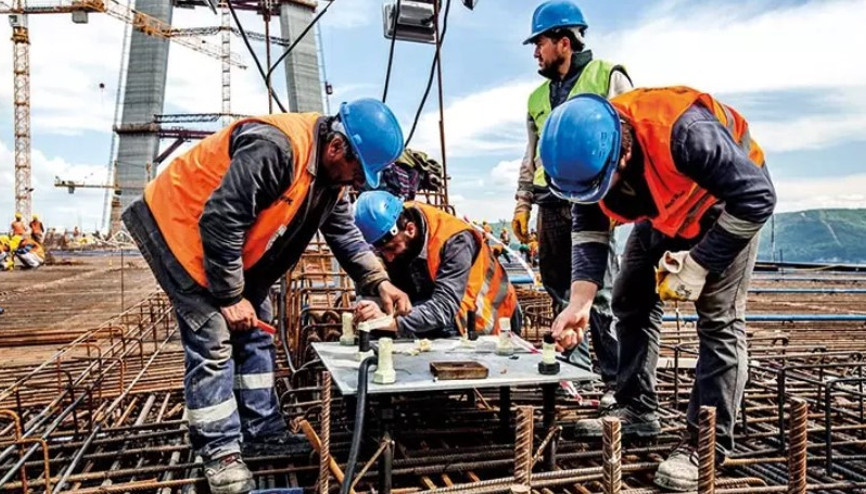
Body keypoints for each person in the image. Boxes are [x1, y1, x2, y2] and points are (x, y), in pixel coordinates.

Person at [122, 98, 412, 494]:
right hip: (178, 231)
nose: (357, 182)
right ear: (336, 147)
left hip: (230, 249)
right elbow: (222, 217)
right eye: (358, 172)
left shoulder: (331, 179)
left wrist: (379, 281)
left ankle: (260, 428)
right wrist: (227, 296)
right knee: (212, 335)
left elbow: (343, 233)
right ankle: (220, 450)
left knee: (259, 325)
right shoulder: (276, 147)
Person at [542, 87, 775, 491]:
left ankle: (706, 446)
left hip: (728, 207)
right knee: (629, 295)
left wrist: (699, 265)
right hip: (669, 211)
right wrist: (580, 301)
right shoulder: (584, 161)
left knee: (719, 320)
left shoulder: (685, 134)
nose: (594, 198)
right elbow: (590, 224)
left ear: (624, 154)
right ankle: (637, 409)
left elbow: (757, 198)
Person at [511, 0, 631, 401]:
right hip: (552, 203)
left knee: (600, 294)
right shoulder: (536, 99)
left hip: (596, 199)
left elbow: (627, 138)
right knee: (561, 290)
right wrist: (522, 203)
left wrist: (619, 203)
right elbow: (532, 157)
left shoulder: (606, 76)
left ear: (564, 41)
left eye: (539, 43)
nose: (535, 53)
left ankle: (615, 380)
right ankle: (577, 374)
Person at [353, 191, 520, 339]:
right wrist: (371, 306)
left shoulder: (455, 240)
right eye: (382, 251)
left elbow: (444, 308)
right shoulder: (385, 229)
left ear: (410, 229)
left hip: (489, 317)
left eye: (392, 248)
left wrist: (389, 322)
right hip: (440, 310)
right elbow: (371, 281)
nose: (389, 258)